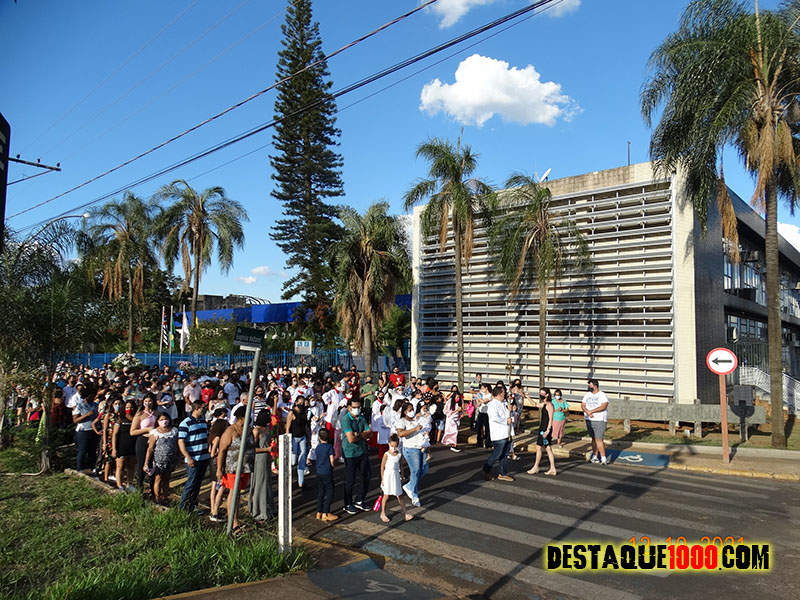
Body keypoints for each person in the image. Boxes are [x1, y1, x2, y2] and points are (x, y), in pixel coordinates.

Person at [216, 406, 255, 534]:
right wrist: (219, 469)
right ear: (241, 417)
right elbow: (222, 451)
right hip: (232, 468)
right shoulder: (230, 431)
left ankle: (235, 519)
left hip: (245, 467)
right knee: (233, 493)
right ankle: (233, 522)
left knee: (238, 494)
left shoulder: (248, 429)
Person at [340, 397, 372, 514]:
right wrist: (363, 435)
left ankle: (359, 500)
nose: (357, 409)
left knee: (366, 475)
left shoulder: (361, 418)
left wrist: (358, 434)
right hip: (350, 453)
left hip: (362, 451)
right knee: (350, 479)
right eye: (354, 407)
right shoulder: (345, 420)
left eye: (358, 407)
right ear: (349, 407)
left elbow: (370, 433)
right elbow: (350, 439)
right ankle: (347, 503)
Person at [177, 401, 210, 512]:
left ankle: (193, 505)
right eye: (203, 408)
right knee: (191, 483)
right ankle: (182, 508)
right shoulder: (185, 423)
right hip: (193, 458)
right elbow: (181, 442)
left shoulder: (203, 422)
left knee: (197, 483)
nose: (204, 410)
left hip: (204, 457)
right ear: (196, 408)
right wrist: (188, 457)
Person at [397, 401, 427, 507]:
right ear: (405, 412)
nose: (412, 411)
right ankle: (414, 495)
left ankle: (409, 486)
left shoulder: (416, 420)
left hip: (421, 447)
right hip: (410, 449)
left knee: (424, 469)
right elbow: (400, 433)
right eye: (410, 410)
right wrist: (414, 429)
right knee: (415, 471)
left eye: (413, 409)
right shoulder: (402, 421)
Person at [249, 408, 277, 522]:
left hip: (267, 458)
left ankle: (268, 506)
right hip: (259, 459)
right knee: (260, 483)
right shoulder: (256, 430)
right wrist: (267, 449)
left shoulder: (267, 429)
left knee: (267, 482)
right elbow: (252, 448)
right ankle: (258, 510)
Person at [482, 386, 514, 482]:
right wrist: (505, 421)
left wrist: (510, 410)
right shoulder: (493, 405)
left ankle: (503, 473)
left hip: (507, 432)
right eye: (503, 392)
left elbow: (508, 415)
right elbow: (494, 418)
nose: (505, 394)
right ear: (500, 393)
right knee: (497, 453)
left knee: (505, 454)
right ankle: (486, 469)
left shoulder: (504, 403)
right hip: (498, 433)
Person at [145, 412, 179, 504]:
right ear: (158, 421)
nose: (164, 421)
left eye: (166, 419)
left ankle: (165, 496)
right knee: (158, 478)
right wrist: (146, 463)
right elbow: (150, 449)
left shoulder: (174, 431)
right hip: (159, 460)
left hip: (171, 459)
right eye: (161, 420)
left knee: (167, 478)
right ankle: (157, 497)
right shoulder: (155, 432)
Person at [379, 433, 412, 523]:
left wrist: (402, 476)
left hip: (396, 475)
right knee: (386, 495)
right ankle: (383, 513)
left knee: (399, 495)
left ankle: (405, 513)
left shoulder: (399, 455)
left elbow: (401, 465)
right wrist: (382, 478)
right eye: (392, 446)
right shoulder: (386, 454)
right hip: (388, 476)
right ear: (389, 444)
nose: (393, 448)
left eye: (395, 446)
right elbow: (382, 466)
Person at [130, 393, 157, 492]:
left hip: (154, 441)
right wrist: (147, 430)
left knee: (153, 464)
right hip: (142, 440)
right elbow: (132, 431)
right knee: (141, 464)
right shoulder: (140, 414)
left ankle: (153, 489)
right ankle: (139, 487)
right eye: (146, 401)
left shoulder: (157, 413)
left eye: (150, 401)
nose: (148, 403)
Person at [527, 388, 556, 476]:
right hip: (542, 428)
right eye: (540, 393)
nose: (541, 395)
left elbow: (550, 418)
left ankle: (536, 467)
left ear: (547, 394)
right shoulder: (544, 404)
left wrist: (548, 430)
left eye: (543, 394)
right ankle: (552, 468)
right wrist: (528, 397)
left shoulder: (549, 405)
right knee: (547, 448)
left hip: (545, 429)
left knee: (540, 447)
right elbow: (535, 404)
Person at [285, 393, 310, 489]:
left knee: (302, 458)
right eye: (300, 403)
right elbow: (288, 427)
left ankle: (301, 482)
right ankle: (288, 479)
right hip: (294, 438)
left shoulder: (304, 412)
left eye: (303, 403)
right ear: (296, 403)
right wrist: (288, 440)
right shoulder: (292, 413)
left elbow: (305, 426)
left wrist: (308, 438)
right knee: (293, 460)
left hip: (302, 437)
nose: (302, 405)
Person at [112, 400, 138, 491]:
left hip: (133, 446)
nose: (129, 409)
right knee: (120, 466)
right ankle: (119, 485)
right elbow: (114, 434)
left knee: (131, 466)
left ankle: (130, 484)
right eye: (127, 407)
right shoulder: (121, 419)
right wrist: (114, 448)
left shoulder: (136, 419)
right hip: (121, 446)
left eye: (131, 407)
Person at [313, 428, 337, 522]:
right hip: (327, 471)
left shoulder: (318, 447)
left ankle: (319, 511)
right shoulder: (329, 447)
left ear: (319, 437)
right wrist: (332, 466)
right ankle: (326, 512)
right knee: (330, 491)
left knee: (321, 491)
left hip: (319, 471)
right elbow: (332, 459)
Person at [582, 378, 609, 465]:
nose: (589, 387)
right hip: (589, 419)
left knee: (599, 438)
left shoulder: (602, 395)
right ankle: (595, 456)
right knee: (593, 438)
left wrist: (592, 411)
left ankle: (603, 458)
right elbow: (583, 404)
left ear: (595, 386)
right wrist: (587, 412)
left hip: (599, 419)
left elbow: (604, 406)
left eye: (590, 386)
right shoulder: (587, 395)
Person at [208, 414, 229, 522]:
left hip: (213, 462)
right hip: (216, 462)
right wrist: (220, 452)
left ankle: (213, 509)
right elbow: (212, 453)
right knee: (220, 486)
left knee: (214, 486)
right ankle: (214, 510)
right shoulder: (218, 438)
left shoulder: (212, 436)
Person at [72, 389, 98, 474]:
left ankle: (91, 467)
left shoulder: (95, 405)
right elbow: (75, 420)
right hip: (83, 430)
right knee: (82, 450)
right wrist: (86, 415)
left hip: (93, 429)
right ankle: (80, 468)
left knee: (92, 451)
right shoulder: (80, 406)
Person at [442, 385, 463, 452]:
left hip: (456, 419)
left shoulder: (459, 403)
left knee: (455, 432)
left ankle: (453, 444)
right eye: (457, 397)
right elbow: (446, 411)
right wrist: (456, 410)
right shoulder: (450, 402)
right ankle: (454, 445)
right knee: (454, 431)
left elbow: (461, 412)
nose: (458, 398)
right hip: (451, 419)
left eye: (459, 397)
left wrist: (460, 413)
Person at [475, 383, 491, 449]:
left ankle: (488, 442)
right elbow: (479, 403)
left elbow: (484, 401)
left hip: (486, 413)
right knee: (479, 427)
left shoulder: (489, 395)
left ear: (486, 388)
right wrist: (477, 400)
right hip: (481, 412)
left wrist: (477, 396)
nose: (481, 390)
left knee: (487, 428)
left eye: (482, 388)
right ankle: (479, 441)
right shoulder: (483, 395)